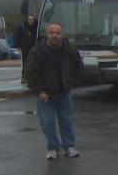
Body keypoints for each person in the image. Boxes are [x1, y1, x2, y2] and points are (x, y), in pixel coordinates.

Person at [24, 22, 83, 160]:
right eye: (52, 33)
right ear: (47, 34)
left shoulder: (70, 50)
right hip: (45, 95)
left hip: (63, 92)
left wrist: (71, 83)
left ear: (62, 35)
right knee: (47, 123)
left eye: (58, 33)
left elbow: (78, 67)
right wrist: (39, 91)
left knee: (66, 121)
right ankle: (52, 148)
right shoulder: (37, 51)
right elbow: (30, 73)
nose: (55, 35)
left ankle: (69, 146)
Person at [13, 15, 39, 82]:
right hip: (25, 47)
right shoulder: (22, 27)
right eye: (29, 19)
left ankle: (34, 77)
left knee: (35, 62)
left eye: (32, 20)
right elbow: (17, 36)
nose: (30, 21)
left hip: (35, 47)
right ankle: (24, 77)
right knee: (25, 62)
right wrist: (17, 45)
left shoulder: (37, 27)